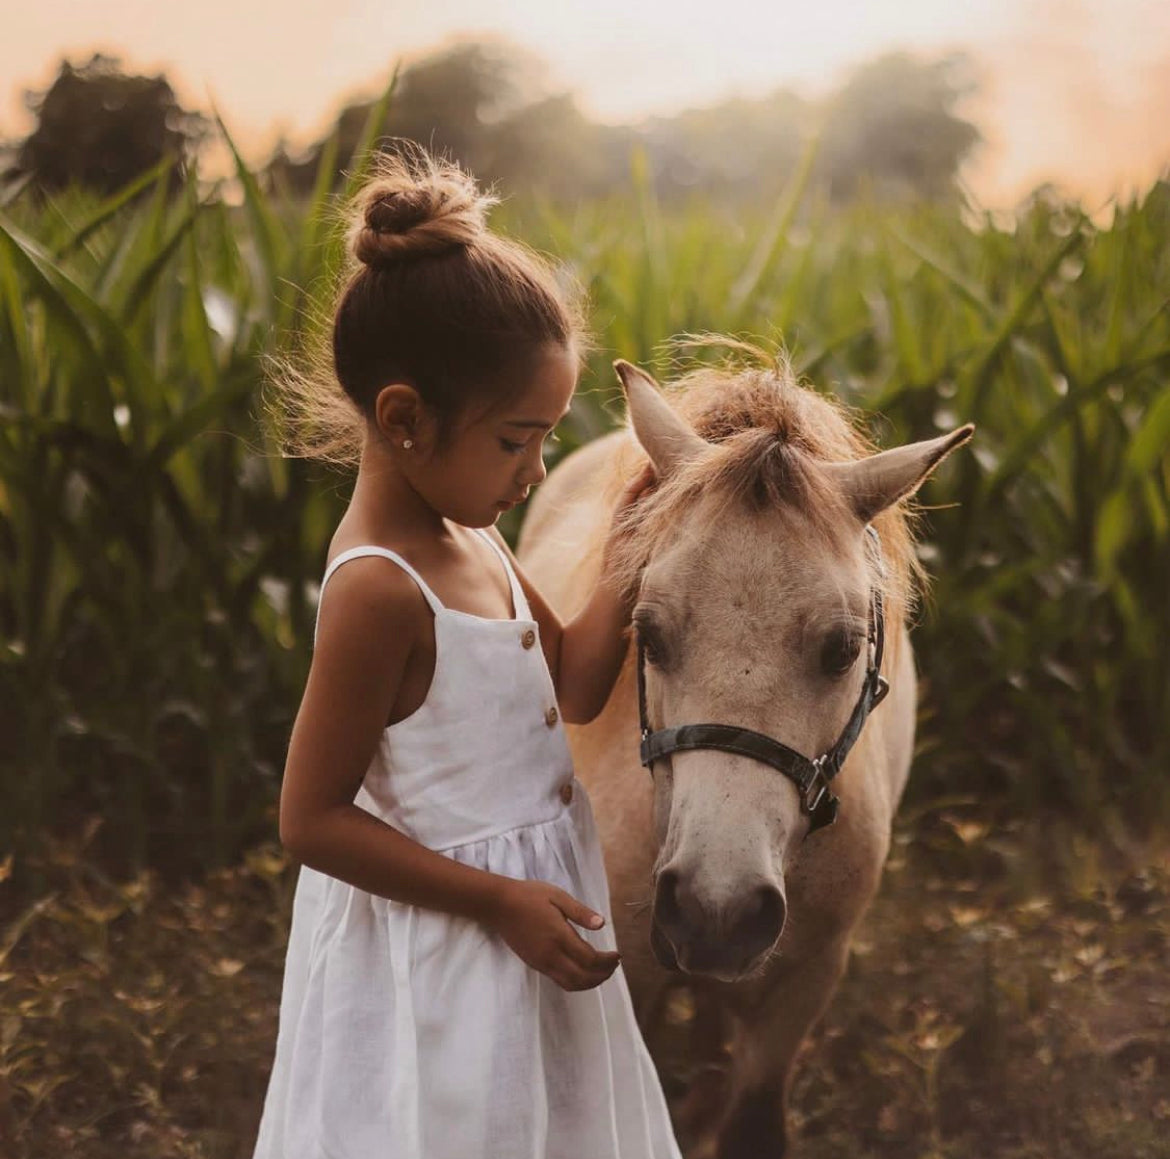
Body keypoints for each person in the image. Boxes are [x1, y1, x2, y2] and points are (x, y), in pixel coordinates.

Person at [251, 144, 682, 1159]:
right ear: (404, 418)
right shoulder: (378, 591)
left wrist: (637, 519)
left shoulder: (474, 536)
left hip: (530, 927)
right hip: (441, 956)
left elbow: (576, 682)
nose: (536, 471)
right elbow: (308, 820)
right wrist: (496, 900)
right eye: (514, 441)